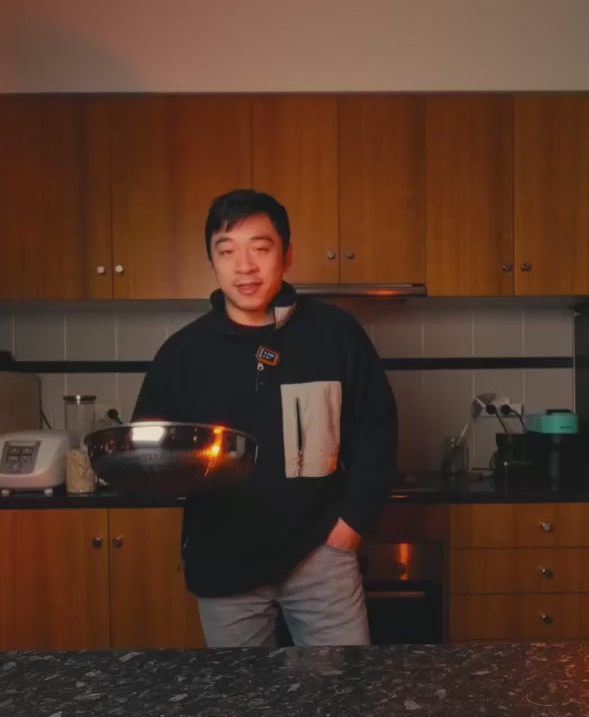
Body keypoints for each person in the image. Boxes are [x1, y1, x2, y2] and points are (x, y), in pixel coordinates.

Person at [132, 188, 397, 647]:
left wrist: (350, 528)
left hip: (321, 554)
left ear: (286, 255)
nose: (245, 267)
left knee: (341, 685)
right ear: (212, 262)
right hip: (223, 560)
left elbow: (377, 430)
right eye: (227, 251)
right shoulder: (183, 353)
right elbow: (149, 450)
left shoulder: (335, 334)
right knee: (239, 692)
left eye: (260, 248)